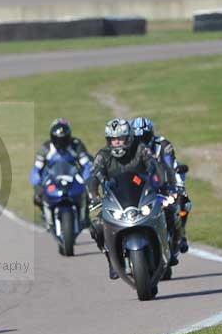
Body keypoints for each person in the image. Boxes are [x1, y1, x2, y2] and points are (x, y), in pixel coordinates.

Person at [87, 118, 165, 279]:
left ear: (129, 138)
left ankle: (167, 248)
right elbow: (93, 176)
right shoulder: (102, 155)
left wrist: (159, 183)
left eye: (120, 139)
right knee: (97, 227)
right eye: (113, 140)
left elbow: (154, 166)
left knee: (165, 211)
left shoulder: (141, 149)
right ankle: (112, 260)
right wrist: (94, 196)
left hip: (141, 198)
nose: (117, 143)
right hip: (115, 202)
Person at [131, 117, 190, 254]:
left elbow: (171, 166)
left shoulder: (163, 145)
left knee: (184, 204)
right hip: (140, 187)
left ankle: (180, 234)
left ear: (151, 134)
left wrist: (178, 187)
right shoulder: (130, 149)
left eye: (144, 137)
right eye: (137, 138)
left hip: (163, 186)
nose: (142, 142)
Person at [30, 117, 92, 212]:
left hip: (74, 179)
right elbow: (36, 169)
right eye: (58, 139)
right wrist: (37, 187)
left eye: (64, 139)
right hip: (52, 180)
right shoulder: (46, 147)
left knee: (87, 197)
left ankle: (84, 216)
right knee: (39, 198)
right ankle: (47, 217)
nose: (61, 142)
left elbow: (87, 165)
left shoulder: (77, 145)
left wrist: (88, 184)